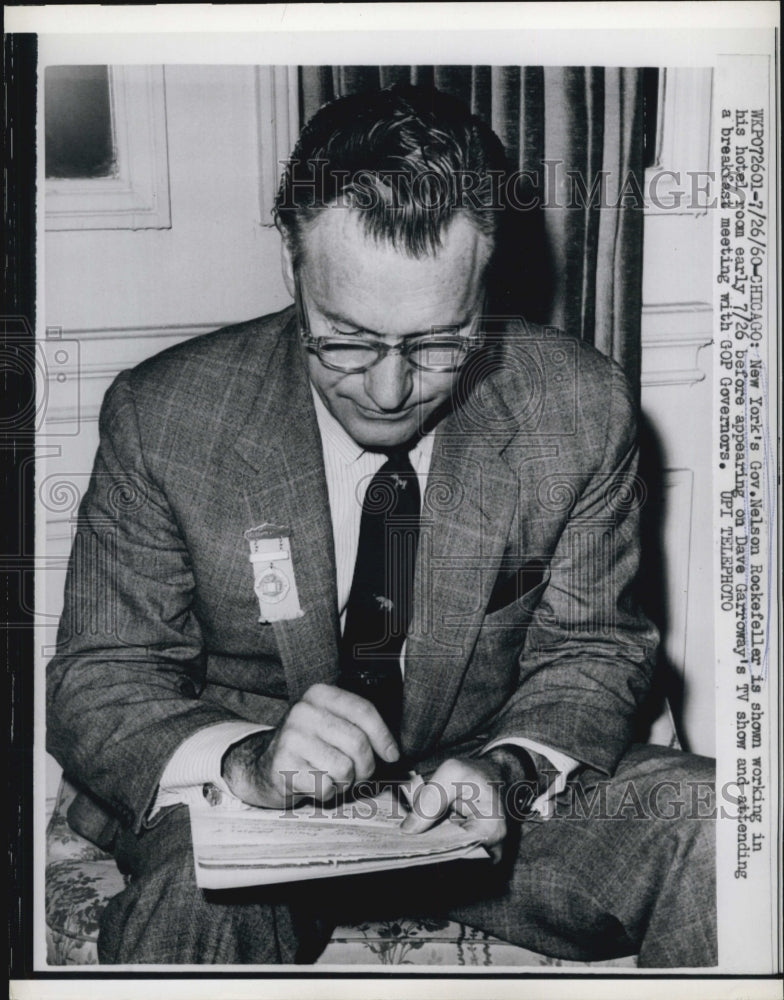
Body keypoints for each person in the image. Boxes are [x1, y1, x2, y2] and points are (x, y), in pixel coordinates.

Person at [47, 84, 716, 967]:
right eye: (348, 339)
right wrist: (250, 760)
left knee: (719, 828)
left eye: (442, 341)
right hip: (247, 808)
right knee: (197, 911)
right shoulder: (166, 415)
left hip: (481, 795)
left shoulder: (578, 409)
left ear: (488, 280)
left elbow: (596, 651)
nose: (392, 392)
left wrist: (507, 773)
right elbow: (101, 677)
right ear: (292, 264)